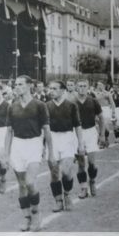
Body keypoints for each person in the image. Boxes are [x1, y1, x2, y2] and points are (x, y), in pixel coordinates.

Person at [4, 75, 55, 232]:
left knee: (30, 182)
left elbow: (46, 130)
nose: (16, 87)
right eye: (15, 84)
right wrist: (6, 153)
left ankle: (36, 212)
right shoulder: (12, 106)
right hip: (18, 145)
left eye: (20, 84)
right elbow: (9, 132)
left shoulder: (40, 105)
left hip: (34, 144)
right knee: (21, 185)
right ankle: (26, 218)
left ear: (28, 86)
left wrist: (51, 152)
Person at [46, 81, 84, 212]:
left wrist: (81, 144)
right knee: (54, 173)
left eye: (55, 88)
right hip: (52, 139)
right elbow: (43, 128)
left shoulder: (71, 105)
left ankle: (67, 194)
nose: (51, 91)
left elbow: (78, 126)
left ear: (63, 91)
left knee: (67, 172)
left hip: (67, 138)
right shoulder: (47, 106)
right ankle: (58, 201)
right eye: (50, 88)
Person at [75, 79, 105, 198]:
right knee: (81, 164)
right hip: (77, 133)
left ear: (88, 88)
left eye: (84, 86)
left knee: (91, 164)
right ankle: (83, 188)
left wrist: (102, 135)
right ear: (77, 88)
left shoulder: (93, 101)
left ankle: (92, 181)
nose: (82, 88)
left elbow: (101, 118)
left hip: (91, 132)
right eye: (80, 86)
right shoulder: (72, 102)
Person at [93, 81, 116, 148]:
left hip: (105, 110)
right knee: (100, 126)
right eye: (99, 85)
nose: (100, 86)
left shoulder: (107, 93)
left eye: (101, 85)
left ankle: (106, 138)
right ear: (96, 86)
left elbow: (112, 103)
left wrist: (113, 112)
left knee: (106, 127)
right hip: (97, 110)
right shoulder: (94, 93)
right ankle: (101, 141)